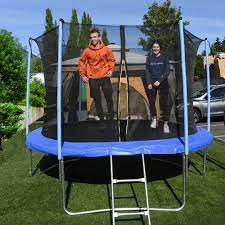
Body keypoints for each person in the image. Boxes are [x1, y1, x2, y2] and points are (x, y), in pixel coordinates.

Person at [79, 27, 115, 120]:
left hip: (105, 77)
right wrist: (83, 75)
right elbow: (82, 62)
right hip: (93, 78)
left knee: (109, 97)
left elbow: (111, 60)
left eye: (95, 37)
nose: (93, 39)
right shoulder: (87, 50)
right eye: (91, 37)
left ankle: (111, 118)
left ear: (99, 37)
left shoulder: (106, 49)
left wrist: (111, 70)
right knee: (97, 100)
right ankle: (101, 120)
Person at [145, 41, 171, 133]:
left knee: (164, 103)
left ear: (160, 48)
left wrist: (159, 81)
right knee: (152, 102)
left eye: (157, 47)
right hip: (152, 83)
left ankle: (165, 124)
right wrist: (149, 83)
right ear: (152, 48)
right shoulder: (149, 58)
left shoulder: (164, 58)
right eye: (154, 47)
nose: (155, 48)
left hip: (163, 82)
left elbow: (167, 71)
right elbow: (147, 71)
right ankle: (154, 119)